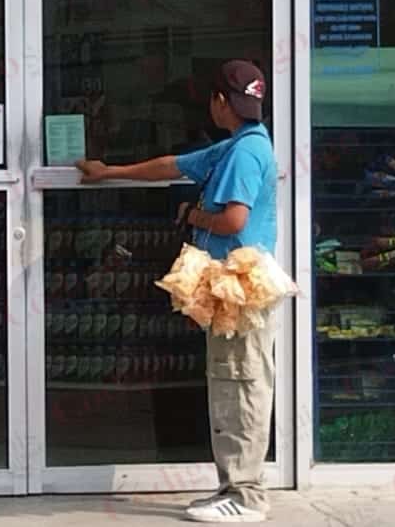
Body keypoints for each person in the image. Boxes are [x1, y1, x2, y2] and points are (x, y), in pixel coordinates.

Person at [76, 60, 278, 523]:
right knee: (230, 382)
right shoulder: (235, 147)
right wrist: (109, 172)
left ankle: (246, 495)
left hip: (243, 287)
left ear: (219, 102)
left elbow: (233, 220)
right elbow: (171, 165)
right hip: (231, 285)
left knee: (243, 385)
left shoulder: (245, 153)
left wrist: (192, 217)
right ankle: (232, 485)